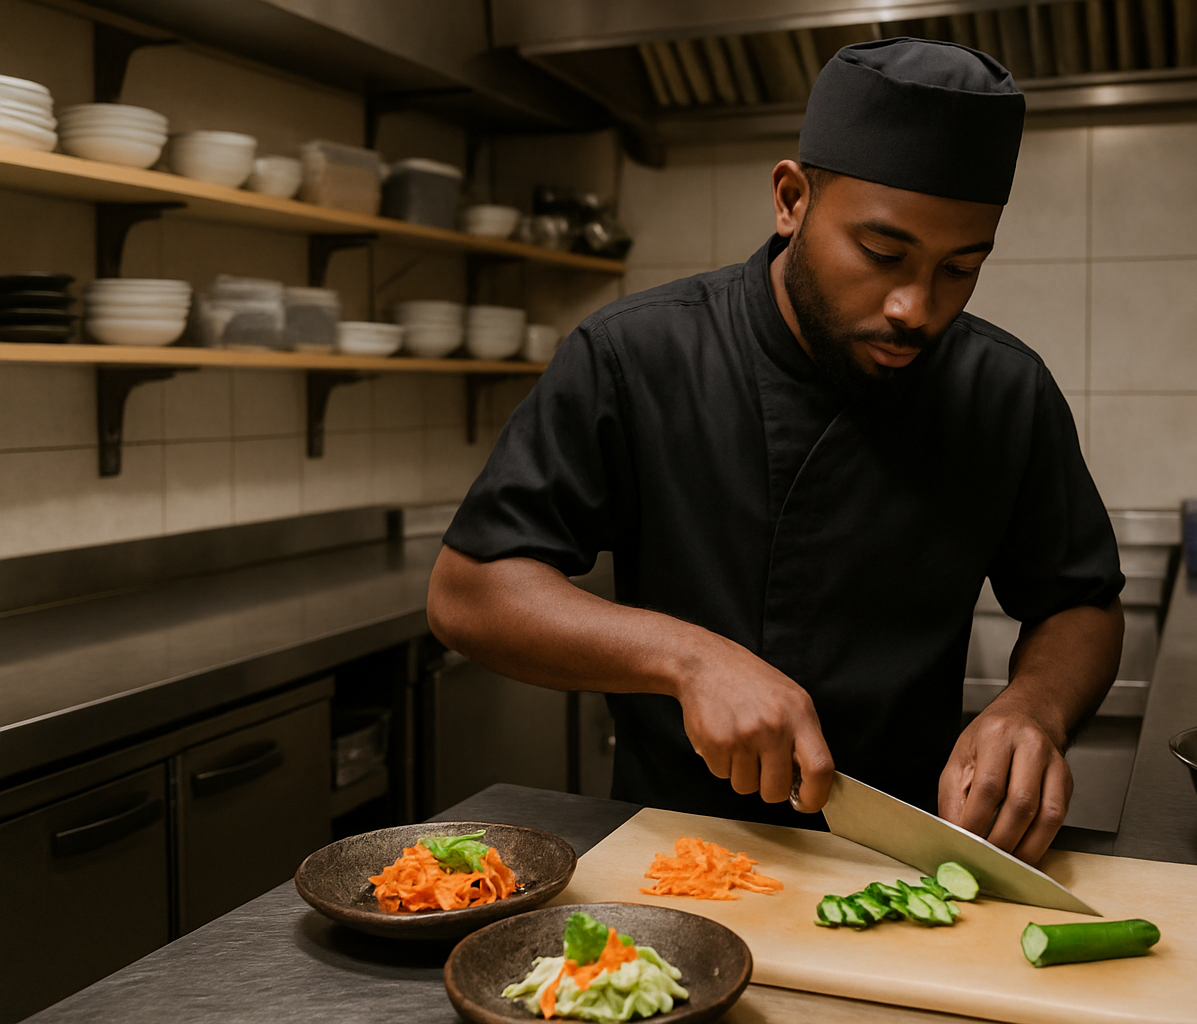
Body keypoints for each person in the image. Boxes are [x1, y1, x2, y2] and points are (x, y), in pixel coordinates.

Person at [428, 37, 1125, 866]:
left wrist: (1034, 709)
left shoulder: (1004, 391)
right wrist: (688, 660)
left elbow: (1080, 602)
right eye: (883, 255)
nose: (915, 307)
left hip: (906, 857)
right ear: (792, 200)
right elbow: (468, 591)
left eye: (959, 269)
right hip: (674, 855)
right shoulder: (636, 356)